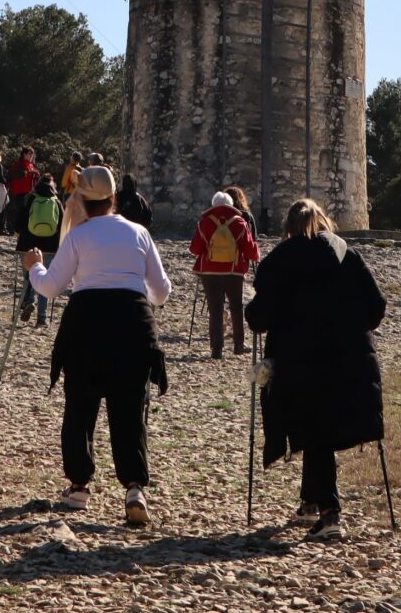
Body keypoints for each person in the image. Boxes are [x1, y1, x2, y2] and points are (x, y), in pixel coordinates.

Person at [23, 165, 171, 525]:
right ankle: (134, 487)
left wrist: (34, 266)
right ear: (114, 198)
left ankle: (78, 487)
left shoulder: (78, 236)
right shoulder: (139, 233)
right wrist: (134, 290)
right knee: (130, 409)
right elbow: (162, 291)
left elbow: (50, 287)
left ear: (81, 201)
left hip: (86, 323)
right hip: (132, 322)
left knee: (80, 407)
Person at [245, 198, 386, 541]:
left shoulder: (280, 260)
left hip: (298, 361)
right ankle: (310, 502)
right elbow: (376, 308)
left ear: (289, 228)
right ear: (325, 221)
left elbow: (259, 318)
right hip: (350, 358)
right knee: (319, 429)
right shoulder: (348, 255)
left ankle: (329, 514)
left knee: (315, 429)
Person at [190, 191, 259, 359]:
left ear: (213, 204)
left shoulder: (205, 222)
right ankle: (238, 345)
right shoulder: (240, 222)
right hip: (233, 271)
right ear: (230, 204)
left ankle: (216, 349)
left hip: (209, 271)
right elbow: (251, 251)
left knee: (215, 309)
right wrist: (256, 254)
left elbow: (195, 249)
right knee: (236, 307)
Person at [15, 173, 64, 328]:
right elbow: (62, 225)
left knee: (29, 276)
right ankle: (42, 319)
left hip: (27, 245)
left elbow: (19, 221)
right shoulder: (56, 201)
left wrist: (18, 233)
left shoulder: (30, 198)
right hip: (50, 247)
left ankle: (30, 300)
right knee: (45, 279)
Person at [7, 147, 40, 227]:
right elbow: (13, 175)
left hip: (28, 191)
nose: (31, 156)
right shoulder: (18, 164)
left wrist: (36, 175)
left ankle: (25, 228)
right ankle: (18, 228)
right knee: (20, 211)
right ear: (24, 154)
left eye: (32, 154)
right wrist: (29, 172)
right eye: (29, 154)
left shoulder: (31, 165)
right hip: (19, 191)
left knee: (27, 211)